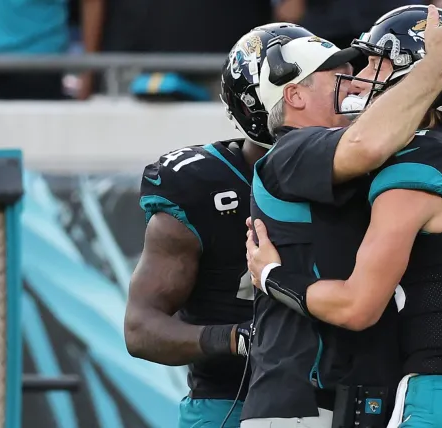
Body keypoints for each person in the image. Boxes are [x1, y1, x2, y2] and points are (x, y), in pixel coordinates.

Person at [245, 5, 442, 428]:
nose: (360, 78)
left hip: (438, 398)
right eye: (350, 70)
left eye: (375, 64)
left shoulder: (411, 163)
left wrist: (272, 276)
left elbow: (359, 305)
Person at [124, 23, 316, 428]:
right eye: (312, 84)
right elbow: (141, 328)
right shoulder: (199, 185)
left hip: (340, 399)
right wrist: (237, 339)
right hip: (231, 403)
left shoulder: (364, 171)